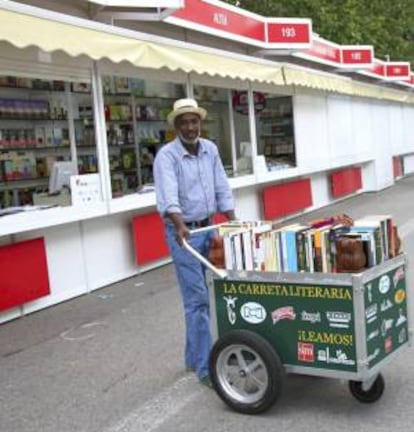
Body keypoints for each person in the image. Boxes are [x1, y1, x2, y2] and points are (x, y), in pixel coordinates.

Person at [153, 98, 236, 387]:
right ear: (176, 126)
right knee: (197, 300)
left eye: (194, 121)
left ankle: (193, 358)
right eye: (184, 122)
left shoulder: (210, 149)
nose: (190, 127)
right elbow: (168, 194)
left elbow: (221, 184)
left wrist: (233, 218)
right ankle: (205, 368)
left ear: (200, 123)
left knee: (211, 295)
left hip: (209, 228)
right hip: (183, 233)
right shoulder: (167, 156)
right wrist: (179, 224)